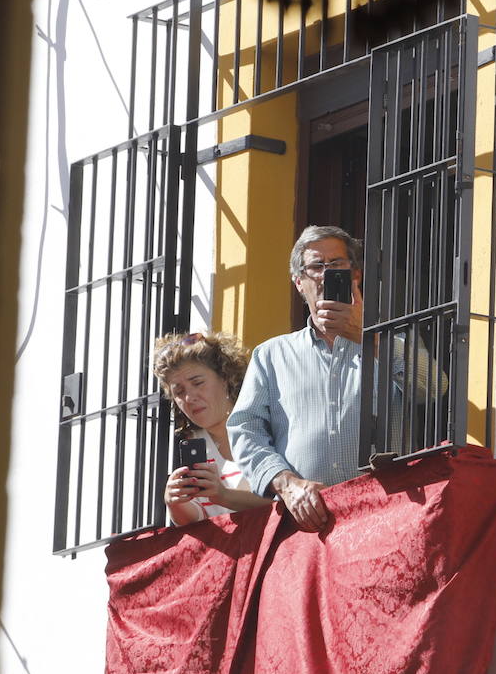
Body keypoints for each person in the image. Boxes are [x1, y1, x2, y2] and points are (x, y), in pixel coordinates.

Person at [227, 225, 367, 533]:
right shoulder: (271, 355)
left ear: (355, 275)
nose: (326, 274)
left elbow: (434, 391)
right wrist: (286, 484)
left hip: (381, 512)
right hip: (306, 524)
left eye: (337, 265)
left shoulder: (392, 342)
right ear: (299, 283)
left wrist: (365, 335)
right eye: (317, 266)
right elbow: (245, 429)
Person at [156, 331, 273, 525]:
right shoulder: (194, 444)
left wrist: (224, 495)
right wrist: (174, 503)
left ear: (225, 378)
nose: (189, 398)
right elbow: (198, 521)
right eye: (179, 391)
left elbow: (285, 499)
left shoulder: (266, 425)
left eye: (198, 383)